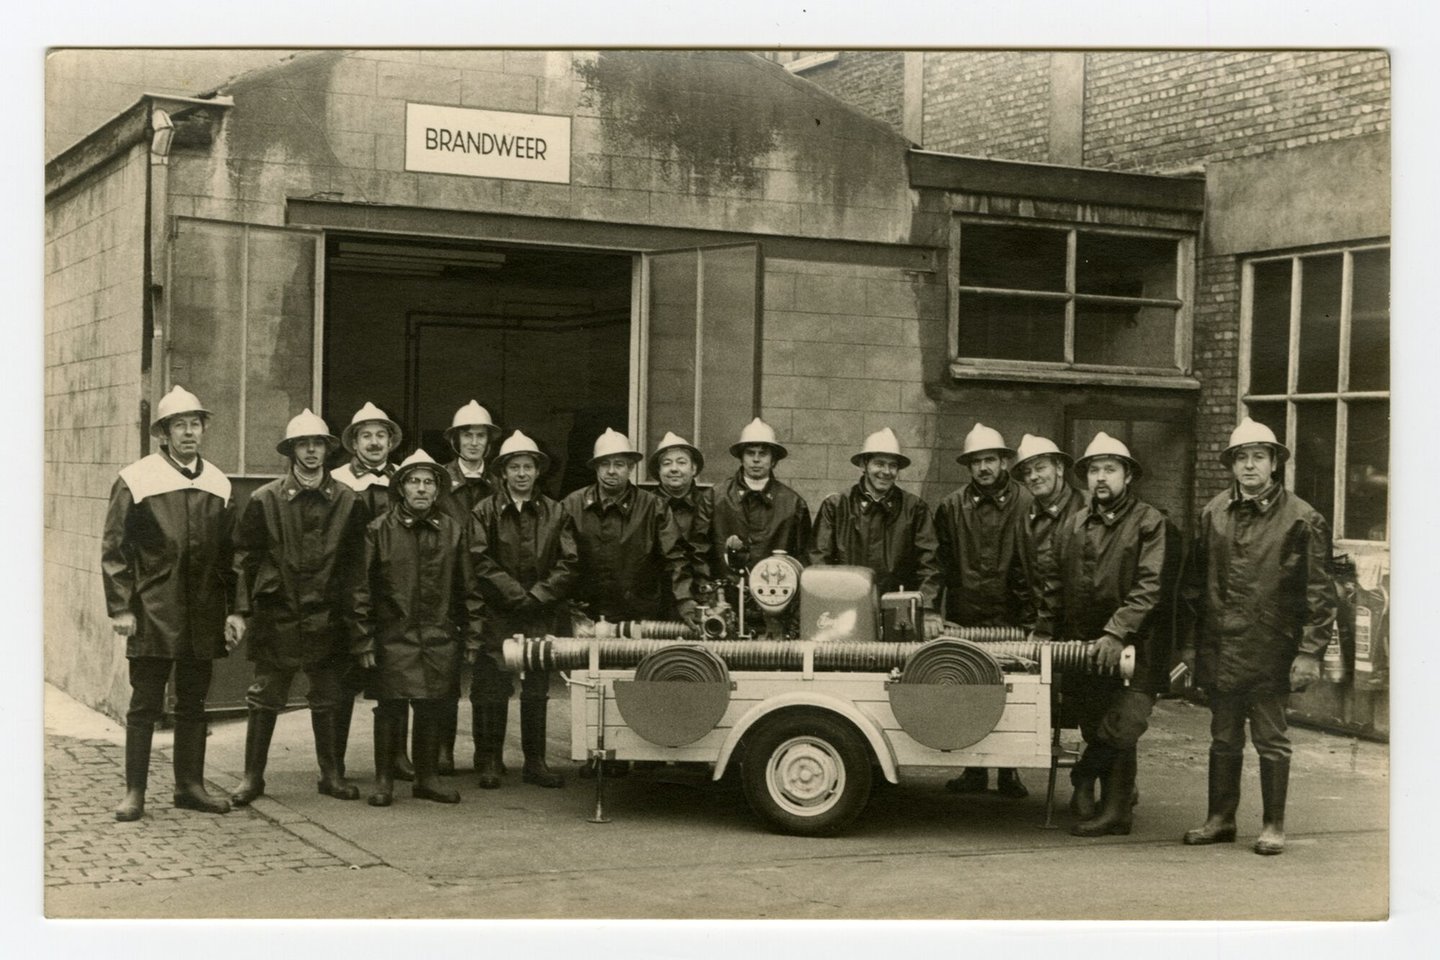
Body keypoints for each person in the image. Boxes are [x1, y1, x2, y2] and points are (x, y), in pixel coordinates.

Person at [1180, 418, 1337, 855]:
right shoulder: (1213, 513)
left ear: (1274, 464)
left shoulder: (1302, 519)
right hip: (1220, 647)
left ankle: (1273, 825)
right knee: (1223, 737)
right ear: (1231, 465)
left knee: (1271, 739)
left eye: (1258, 457)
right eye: (1241, 458)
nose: (1249, 466)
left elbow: (1321, 594)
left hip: (1272, 648)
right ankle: (1220, 819)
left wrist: (1309, 653)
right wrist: (1192, 646)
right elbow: (1193, 587)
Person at [102, 386, 239, 821]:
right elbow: (115, 548)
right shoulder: (136, 479)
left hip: (203, 611)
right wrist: (122, 607)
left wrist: (236, 610)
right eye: (178, 425)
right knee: (144, 703)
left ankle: (190, 787)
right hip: (152, 611)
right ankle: (135, 792)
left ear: (204, 429)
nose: (188, 433)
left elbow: (232, 555)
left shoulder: (218, 483)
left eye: (195, 424)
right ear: (163, 433)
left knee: (194, 703)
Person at [1034, 432, 1174, 837]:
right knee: (1095, 726)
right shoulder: (1074, 523)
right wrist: (1046, 633)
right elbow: (1054, 584)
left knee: (1123, 725)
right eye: (1094, 469)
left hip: (1137, 645)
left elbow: (1150, 586)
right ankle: (1115, 804)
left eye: (1110, 469)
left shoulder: (1150, 522)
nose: (1100, 477)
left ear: (1127, 476)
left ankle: (1090, 785)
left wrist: (1116, 633)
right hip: (1085, 647)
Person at [230, 410, 369, 806]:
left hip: (328, 615)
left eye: (318, 444)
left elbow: (357, 566)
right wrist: (243, 610)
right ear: (291, 450)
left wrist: (355, 618)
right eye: (303, 444)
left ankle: (331, 775)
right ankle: (252, 778)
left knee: (328, 695)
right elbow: (245, 558)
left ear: (328, 450)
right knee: (265, 695)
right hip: (279, 614)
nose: (311, 451)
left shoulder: (348, 500)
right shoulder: (265, 499)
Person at [350, 451, 470, 807]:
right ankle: (384, 780)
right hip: (392, 636)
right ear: (401, 488)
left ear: (437, 490)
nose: (421, 489)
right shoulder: (378, 530)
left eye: (429, 482)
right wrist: (364, 639)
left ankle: (427, 778)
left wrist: (471, 635)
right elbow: (361, 589)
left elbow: (468, 587)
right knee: (390, 707)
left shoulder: (453, 530)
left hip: (439, 635)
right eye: (414, 481)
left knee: (432, 705)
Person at [466, 430, 579, 790]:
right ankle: (489, 760)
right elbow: (478, 560)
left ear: (537, 471)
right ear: (503, 472)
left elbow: (569, 562)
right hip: (498, 614)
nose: (521, 474)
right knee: (492, 687)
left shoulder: (556, 512)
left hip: (540, 614)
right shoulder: (484, 511)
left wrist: (539, 596)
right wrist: (516, 595)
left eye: (527, 466)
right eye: (514, 466)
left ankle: (535, 762)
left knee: (536, 690)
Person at [934, 423, 1033, 797]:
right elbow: (939, 564)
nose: (983, 468)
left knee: (1012, 692)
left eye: (990, 459)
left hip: (1014, 616)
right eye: (976, 462)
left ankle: (1009, 771)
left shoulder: (1027, 502)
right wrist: (934, 610)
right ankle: (973, 769)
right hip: (967, 615)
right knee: (969, 691)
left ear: (1005, 461)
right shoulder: (951, 506)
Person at [330, 401, 414, 782]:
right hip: (345, 591)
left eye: (381, 435)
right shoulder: (337, 481)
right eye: (367, 435)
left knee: (395, 679)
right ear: (353, 443)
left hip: (393, 594)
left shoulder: (406, 478)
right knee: (343, 681)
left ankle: (396, 756)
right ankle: (334, 763)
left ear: (391, 441)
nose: (375, 442)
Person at [809, 428, 943, 639]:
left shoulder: (914, 509)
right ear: (864, 465)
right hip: (845, 615)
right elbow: (819, 563)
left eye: (892, 465)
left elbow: (929, 563)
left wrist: (926, 609)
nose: (886, 471)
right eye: (879, 464)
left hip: (900, 615)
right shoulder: (836, 507)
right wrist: (830, 609)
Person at [561, 428, 696, 626]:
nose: (611, 471)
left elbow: (675, 558)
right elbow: (562, 560)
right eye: (605, 464)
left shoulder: (653, 506)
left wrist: (685, 602)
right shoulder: (572, 505)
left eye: (619, 464)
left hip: (640, 617)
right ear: (596, 467)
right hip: (586, 616)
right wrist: (565, 603)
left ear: (631, 467)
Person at [435, 400, 503, 775]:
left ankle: (487, 754)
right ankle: (443, 751)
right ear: (455, 441)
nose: (475, 442)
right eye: (468, 435)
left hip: (490, 591)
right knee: (445, 673)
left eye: (481, 436)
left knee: (490, 675)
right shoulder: (440, 482)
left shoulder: (500, 483)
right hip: (447, 589)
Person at [707, 417, 811, 585]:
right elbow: (700, 551)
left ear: (773, 460)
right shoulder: (715, 497)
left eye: (763, 453)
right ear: (741, 457)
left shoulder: (793, 504)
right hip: (725, 599)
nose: (756, 459)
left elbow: (802, 558)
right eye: (750, 453)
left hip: (774, 599)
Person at [1013, 434, 1086, 624]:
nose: (1033, 477)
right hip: (1041, 629)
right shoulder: (1025, 519)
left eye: (1040, 468)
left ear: (1059, 468)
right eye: (1027, 472)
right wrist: (1030, 623)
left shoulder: (1087, 507)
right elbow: (1021, 578)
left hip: (1080, 629)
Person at [648, 431, 714, 616]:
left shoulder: (710, 505)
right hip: (654, 605)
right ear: (658, 472)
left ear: (694, 469)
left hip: (702, 602)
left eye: (681, 462)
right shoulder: (645, 507)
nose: (674, 469)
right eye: (666, 463)